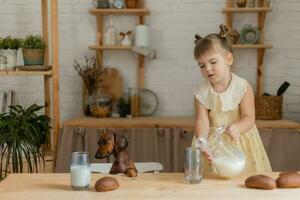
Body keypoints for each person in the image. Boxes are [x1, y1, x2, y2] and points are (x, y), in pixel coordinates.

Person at [192, 24, 272, 174]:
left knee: (244, 181)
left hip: (239, 140)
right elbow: (201, 121)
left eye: (213, 62)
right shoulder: (201, 92)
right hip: (214, 144)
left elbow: (249, 117)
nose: (207, 68)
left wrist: (238, 127)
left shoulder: (243, 87)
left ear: (229, 59)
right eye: (202, 65)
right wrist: (202, 141)